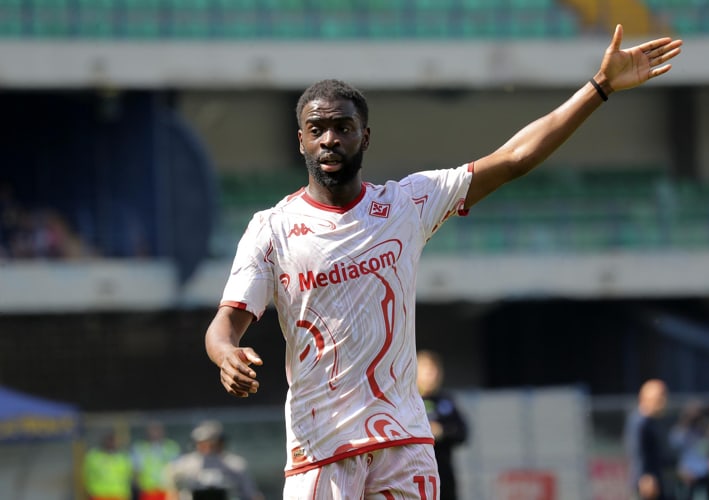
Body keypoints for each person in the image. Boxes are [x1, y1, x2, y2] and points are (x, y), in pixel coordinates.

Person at [204, 24, 682, 499]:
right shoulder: (271, 228)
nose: (330, 139)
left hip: (405, 443)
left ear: (365, 138)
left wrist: (599, 87)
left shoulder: (407, 204)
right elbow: (225, 325)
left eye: (343, 128)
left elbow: (513, 158)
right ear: (301, 141)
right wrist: (227, 355)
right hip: (321, 448)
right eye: (317, 130)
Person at [164, 420, 264, 500]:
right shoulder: (184, 465)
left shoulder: (235, 464)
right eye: (203, 444)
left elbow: (251, 493)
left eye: (212, 443)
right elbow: (171, 489)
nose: (208, 448)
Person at [416, 350, 468, 500]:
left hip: (443, 474)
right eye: (426, 370)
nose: (431, 375)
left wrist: (442, 431)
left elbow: (462, 432)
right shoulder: (408, 400)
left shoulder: (446, 401)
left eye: (434, 370)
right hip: (416, 474)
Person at [624, 379, 673, 500]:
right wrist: (644, 477)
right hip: (648, 483)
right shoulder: (640, 422)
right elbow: (637, 451)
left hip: (656, 478)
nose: (664, 401)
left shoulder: (652, 421)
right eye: (660, 397)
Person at [669, 400, 709, 500]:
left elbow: (707, 450)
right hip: (686, 474)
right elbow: (672, 451)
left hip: (703, 474)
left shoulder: (704, 432)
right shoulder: (680, 432)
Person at [132, 421, 181, 500]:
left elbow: (177, 469)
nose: (155, 432)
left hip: (167, 490)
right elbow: (136, 471)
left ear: (163, 431)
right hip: (148, 491)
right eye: (152, 430)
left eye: (158, 429)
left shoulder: (171, 447)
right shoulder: (140, 448)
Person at [82, 429, 135, 500]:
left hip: (119, 494)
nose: (111, 443)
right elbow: (86, 475)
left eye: (114, 441)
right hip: (99, 495)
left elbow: (130, 475)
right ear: (103, 441)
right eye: (109, 440)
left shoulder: (123, 457)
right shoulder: (93, 456)